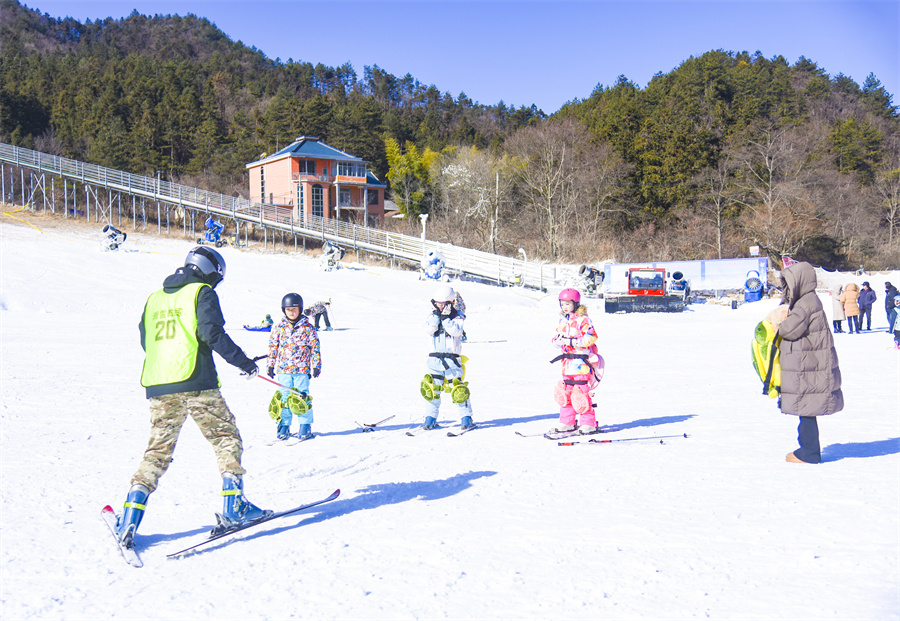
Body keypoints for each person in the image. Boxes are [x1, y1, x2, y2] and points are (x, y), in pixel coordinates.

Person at [113, 247, 270, 549]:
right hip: (196, 381)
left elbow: (146, 339)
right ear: (209, 269)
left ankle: (130, 516)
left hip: (159, 384)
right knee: (226, 438)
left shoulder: (155, 298)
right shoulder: (201, 293)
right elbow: (212, 334)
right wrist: (244, 363)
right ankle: (234, 506)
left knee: (157, 451)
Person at [765, 262, 843, 464]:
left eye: (789, 284)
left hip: (808, 367)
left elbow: (788, 330)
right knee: (806, 410)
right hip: (808, 364)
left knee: (806, 409)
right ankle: (808, 449)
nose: (787, 289)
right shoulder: (807, 302)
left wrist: (778, 320)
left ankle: (809, 452)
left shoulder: (806, 304)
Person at [418, 285, 475, 431]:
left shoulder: (458, 316)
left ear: (450, 302)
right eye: (437, 303)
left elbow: (456, 331)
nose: (440, 306)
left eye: (443, 303)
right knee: (432, 389)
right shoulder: (432, 316)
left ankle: (466, 417)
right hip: (435, 360)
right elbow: (429, 330)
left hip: (452, 360)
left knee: (458, 389)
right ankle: (430, 418)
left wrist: (446, 319)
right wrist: (437, 318)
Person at [267, 293, 321, 441]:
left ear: (300, 309)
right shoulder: (279, 327)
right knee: (284, 399)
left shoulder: (308, 328)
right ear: (283, 310)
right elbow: (273, 347)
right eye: (288, 309)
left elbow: (315, 347)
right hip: (284, 370)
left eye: (294, 309)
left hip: (302, 370)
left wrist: (316, 365)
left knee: (301, 398)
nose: (291, 312)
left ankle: (305, 425)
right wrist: (271, 365)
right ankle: (284, 426)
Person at [550, 288, 603, 434]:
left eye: (567, 304)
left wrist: (573, 342)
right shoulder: (563, 320)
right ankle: (567, 422)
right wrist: (557, 341)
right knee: (565, 394)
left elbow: (591, 337)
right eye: (562, 304)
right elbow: (556, 337)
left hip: (580, 364)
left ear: (575, 303)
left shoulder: (583, 320)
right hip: (566, 364)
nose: (564, 307)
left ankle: (588, 423)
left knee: (580, 394)